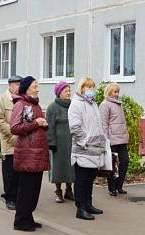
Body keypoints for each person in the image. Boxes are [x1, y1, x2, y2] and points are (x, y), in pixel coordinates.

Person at [10, 76, 50, 232]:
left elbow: (35, 123)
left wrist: (43, 125)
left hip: (37, 154)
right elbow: (15, 128)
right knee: (26, 189)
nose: (37, 89)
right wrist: (36, 123)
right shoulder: (20, 104)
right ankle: (20, 220)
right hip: (27, 154)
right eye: (35, 87)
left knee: (34, 190)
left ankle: (28, 216)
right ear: (26, 89)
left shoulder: (35, 104)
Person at [69, 77, 107, 220]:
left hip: (94, 150)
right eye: (88, 87)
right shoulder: (76, 104)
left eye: (93, 87)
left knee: (90, 178)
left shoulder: (93, 104)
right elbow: (75, 127)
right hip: (83, 151)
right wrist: (84, 142)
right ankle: (81, 208)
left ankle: (88, 204)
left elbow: (98, 125)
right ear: (81, 88)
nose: (91, 90)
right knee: (81, 179)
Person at [0, 75, 22, 210]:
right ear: (9, 85)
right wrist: (12, 134)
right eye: (16, 84)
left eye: (20, 85)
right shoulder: (2, 100)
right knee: (10, 172)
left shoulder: (22, 98)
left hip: (22, 142)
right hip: (9, 142)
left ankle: (19, 197)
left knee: (21, 172)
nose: (18, 87)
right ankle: (10, 198)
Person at [45, 81, 75, 203]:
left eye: (69, 90)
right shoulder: (53, 107)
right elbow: (49, 126)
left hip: (72, 142)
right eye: (65, 91)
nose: (68, 93)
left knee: (71, 167)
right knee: (58, 167)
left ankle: (69, 190)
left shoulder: (73, 105)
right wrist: (51, 142)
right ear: (59, 93)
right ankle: (58, 191)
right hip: (58, 143)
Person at [99, 82, 130, 196]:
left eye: (118, 92)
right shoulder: (105, 104)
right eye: (115, 92)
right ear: (109, 92)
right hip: (112, 139)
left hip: (121, 138)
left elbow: (122, 122)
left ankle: (119, 185)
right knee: (112, 164)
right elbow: (104, 123)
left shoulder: (119, 104)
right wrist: (106, 139)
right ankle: (111, 188)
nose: (117, 94)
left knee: (125, 161)